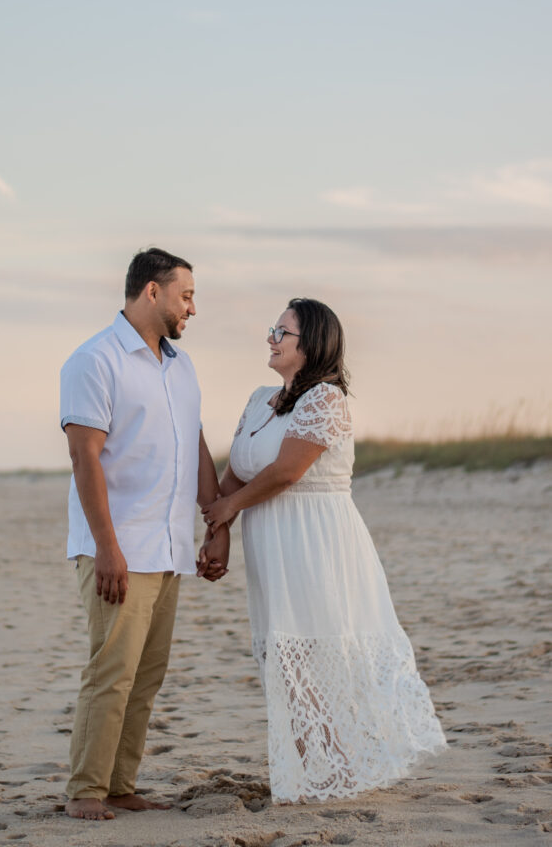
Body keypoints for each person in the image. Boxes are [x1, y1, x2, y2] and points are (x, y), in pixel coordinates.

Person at [202, 298, 446, 802]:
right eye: (273, 328)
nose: (270, 337)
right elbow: (237, 473)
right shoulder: (258, 400)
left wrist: (230, 511)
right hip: (271, 540)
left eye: (282, 331)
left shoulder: (326, 400)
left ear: (311, 345)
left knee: (317, 649)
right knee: (285, 657)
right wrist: (217, 533)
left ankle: (334, 767)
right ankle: (312, 764)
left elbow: (287, 472)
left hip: (316, 540)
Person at [60, 247, 229, 821]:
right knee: (111, 672)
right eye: (187, 295)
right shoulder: (94, 360)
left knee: (146, 676)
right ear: (151, 292)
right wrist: (108, 547)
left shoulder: (181, 366)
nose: (193, 308)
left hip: (170, 546)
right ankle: (86, 790)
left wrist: (214, 521)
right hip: (119, 546)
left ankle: (120, 784)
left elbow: (194, 444)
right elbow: (85, 459)